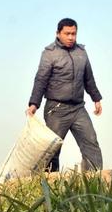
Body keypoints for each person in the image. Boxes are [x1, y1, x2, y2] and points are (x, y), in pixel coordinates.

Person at [26, 18, 103, 172]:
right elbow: (41, 79)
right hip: (56, 109)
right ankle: (49, 182)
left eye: (73, 34)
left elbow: (88, 77)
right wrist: (34, 104)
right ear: (58, 33)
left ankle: (95, 180)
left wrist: (96, 98)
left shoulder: (81, 52)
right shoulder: (49, 54)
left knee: (91, 143)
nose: (70, 37)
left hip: (78, 108)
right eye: (67, 33)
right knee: (52, 150)